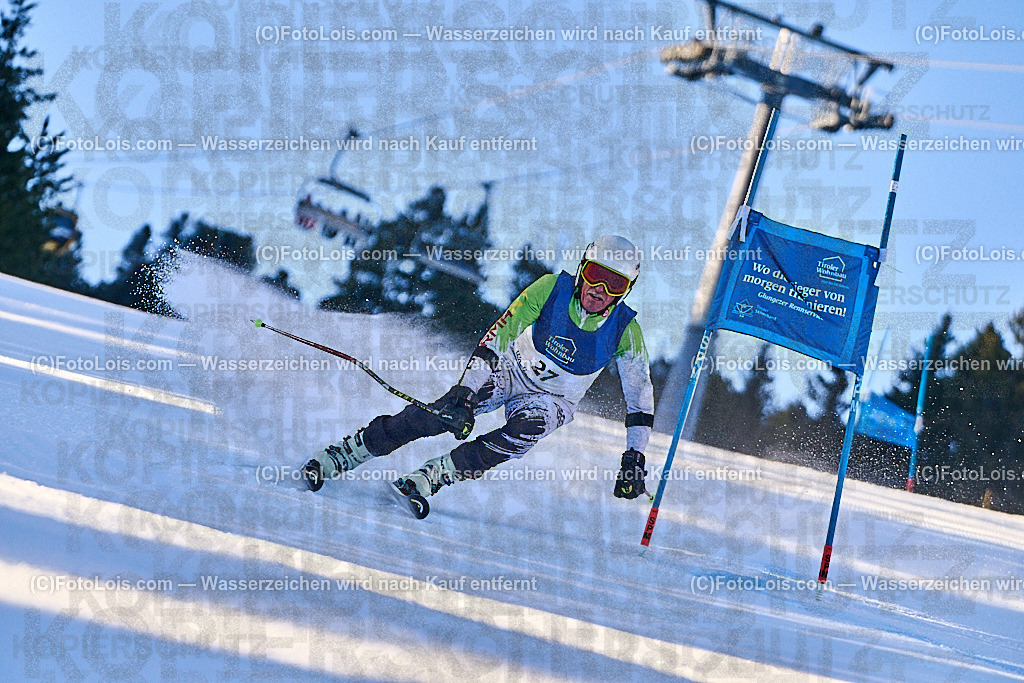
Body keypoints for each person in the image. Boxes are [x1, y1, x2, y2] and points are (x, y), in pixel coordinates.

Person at [302, 234, 655, 505]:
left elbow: (640, 400)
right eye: (595, 275)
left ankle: (434, 475)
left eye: (615, 284)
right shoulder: (551, 288)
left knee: (525, 431)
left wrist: (634, 457)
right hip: (510, 371)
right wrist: (466, 391)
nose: (600, 289)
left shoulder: (627, 332)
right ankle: (348, 452)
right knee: (441, 414)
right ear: (582, 269)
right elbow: (499, 335)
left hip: (554, 399)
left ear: (626, 291)